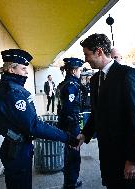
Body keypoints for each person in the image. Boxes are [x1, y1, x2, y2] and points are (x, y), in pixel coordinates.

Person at [0, 49, 79, 189]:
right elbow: (33, 125)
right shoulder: (14, 92)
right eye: (23, 68)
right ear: (11, 69)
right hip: (18, 149)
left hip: (17, 147)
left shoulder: (11, 88)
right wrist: (67, 137)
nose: (26, 72)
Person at [77, 33, 135, 189]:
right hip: (107, 156)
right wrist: (85, 134)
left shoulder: (127, 74)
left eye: (87, 54)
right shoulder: (95, 80)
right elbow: (96, 113)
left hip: (126, 157)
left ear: (99, 52)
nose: (86, 59)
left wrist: (134, 160)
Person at [57, 57, 84, 189]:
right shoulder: (71, 86)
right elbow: (68, 108)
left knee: (70, 154)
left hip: (67, 124)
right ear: (73, 71)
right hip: (71, 125)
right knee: (73, 156)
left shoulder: (64, 83)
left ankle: (69, 181)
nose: (81, 73)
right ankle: (70, 183)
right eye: (80, 70)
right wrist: (73, 126)